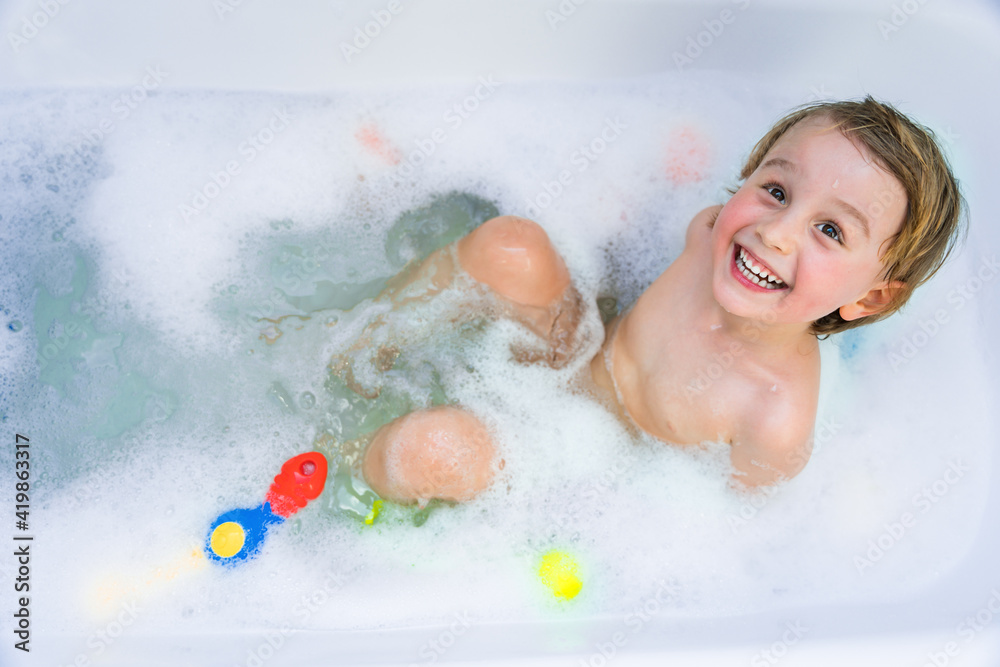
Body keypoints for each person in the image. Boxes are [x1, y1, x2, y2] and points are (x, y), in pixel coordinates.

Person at [350, 96, 965, 504]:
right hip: (579, 348)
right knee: (511, 245)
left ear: (872, 298)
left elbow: (720, 521)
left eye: (830, 231)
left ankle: (342, 469)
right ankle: (356, 348)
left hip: (580, 466)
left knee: (435, 449)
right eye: (776, 189)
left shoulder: (773, 419)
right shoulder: (707, 237)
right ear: (747, 175)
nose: (774, 232)